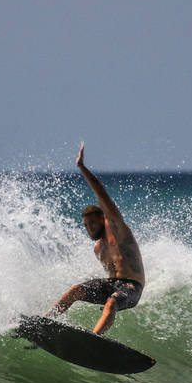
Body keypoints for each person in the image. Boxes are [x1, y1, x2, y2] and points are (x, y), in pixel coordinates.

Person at [49, 142, 146, 335]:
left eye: (92, 223)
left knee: (111, 302)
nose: (88, 228)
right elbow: (109, 278)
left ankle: (95, 338)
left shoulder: (117, 229)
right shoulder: (98, 249)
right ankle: (46, 321)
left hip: (132, 287)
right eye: (85, 225)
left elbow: (101, 193)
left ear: (103, 219)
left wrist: (82, 168)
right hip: (112, 285)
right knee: (75, 290)